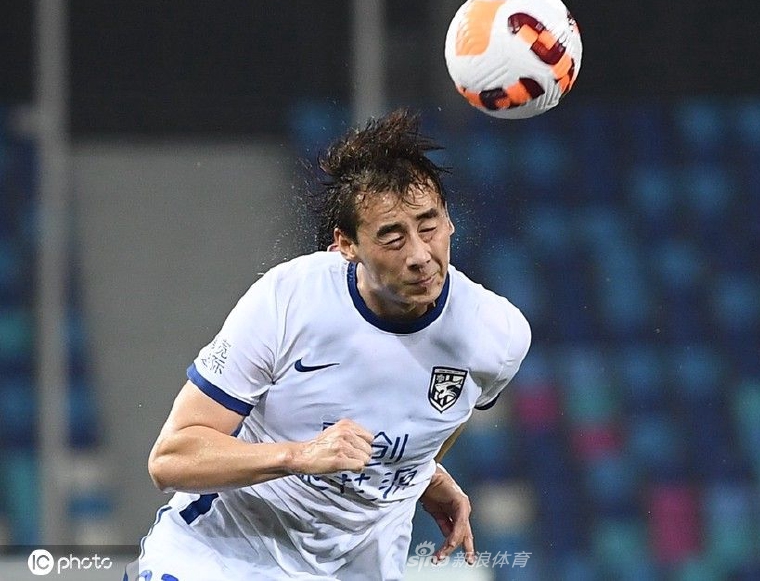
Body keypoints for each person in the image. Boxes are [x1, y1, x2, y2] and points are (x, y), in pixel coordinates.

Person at [125, 109, 531, 580]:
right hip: (225, 555)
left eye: (429, 226)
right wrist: (299, 455)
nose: (420, 255)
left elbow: (448, 411)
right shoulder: (289, 300)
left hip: (359, 566)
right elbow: (172, 458)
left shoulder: (497, 334)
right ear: (345, 244)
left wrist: (420, 472)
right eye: (392, 237)